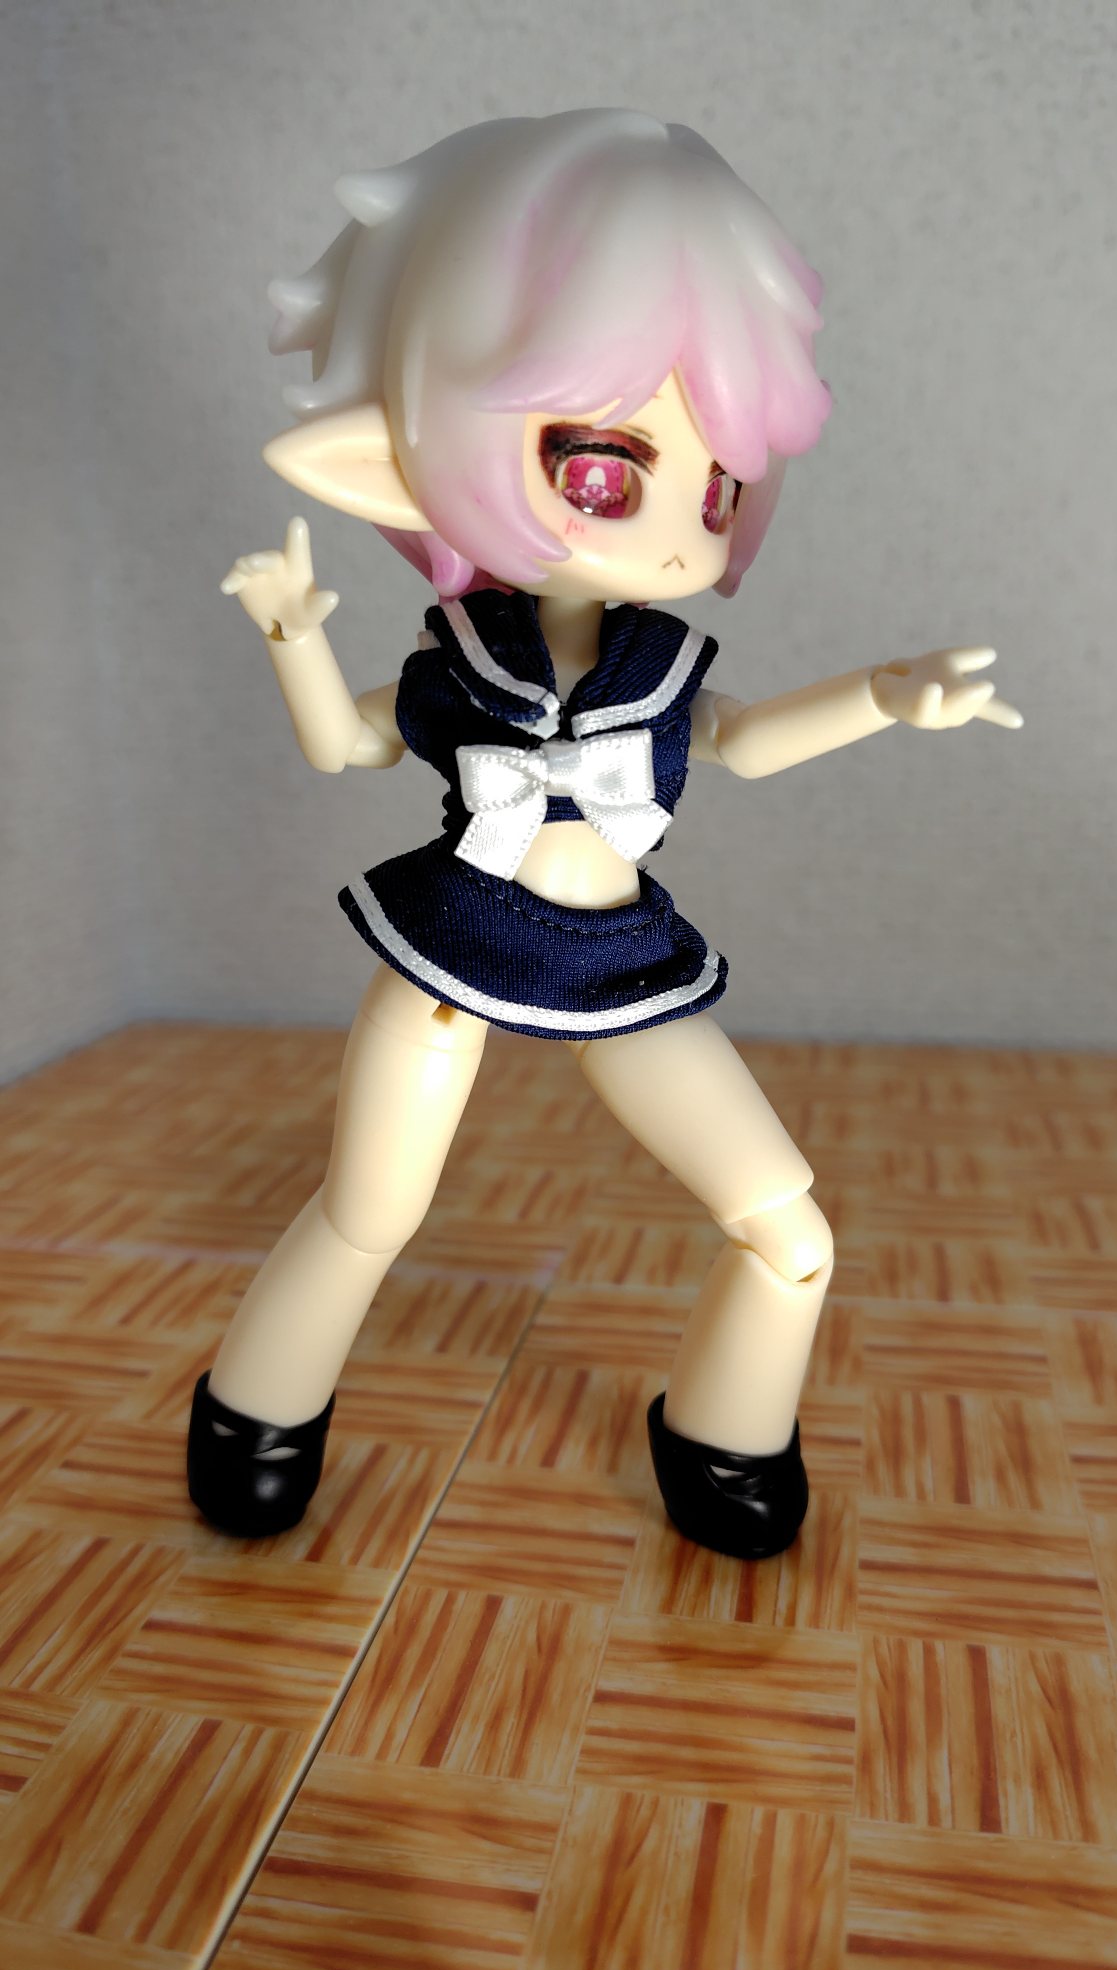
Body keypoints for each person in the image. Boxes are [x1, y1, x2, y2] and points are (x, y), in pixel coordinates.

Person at [187, 110, 1019, 1553]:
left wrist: (886, 698)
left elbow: (744, 739)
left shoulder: (666, 666)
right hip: (456, 949)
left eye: (717, 482)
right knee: (369, 1215)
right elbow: (344, 744)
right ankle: (258, 1407)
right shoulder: (462, 659)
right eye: (602, 468)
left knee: (789, 1229)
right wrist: (292, 636)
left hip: (620, 959)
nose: (682, 529)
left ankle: (725, 1436)